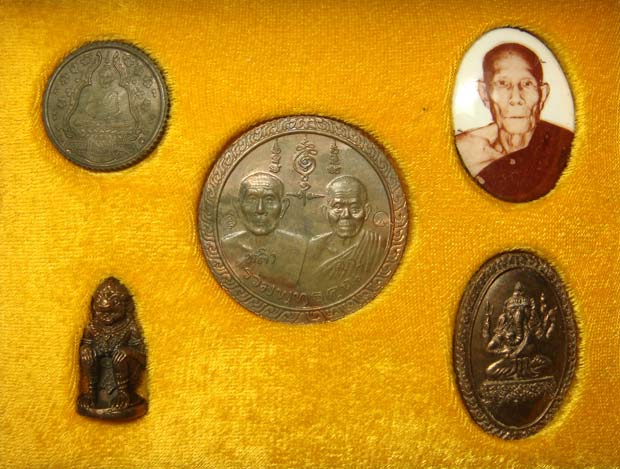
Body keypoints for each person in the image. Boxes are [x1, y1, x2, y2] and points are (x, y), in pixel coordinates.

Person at [455, 42, 573, 202]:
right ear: (484, 94)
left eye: (527, 84)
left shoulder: (564, 149)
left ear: (542, 94)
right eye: (502, 83)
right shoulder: (465, 152)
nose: (516, 98)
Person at [298, 175, 385, 293]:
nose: (346, 214)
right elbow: (305, 286)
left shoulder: (379, 246)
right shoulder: (314, 248)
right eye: (338, 207)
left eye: (355, 208)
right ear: (325, 211)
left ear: (367, 211)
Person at [221, 172, 305, 288]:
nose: (260, 209)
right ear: (238, 206)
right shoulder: (226, 246)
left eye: (269, 200)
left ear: (283, 206)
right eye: (252, 199)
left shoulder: (300, 247)